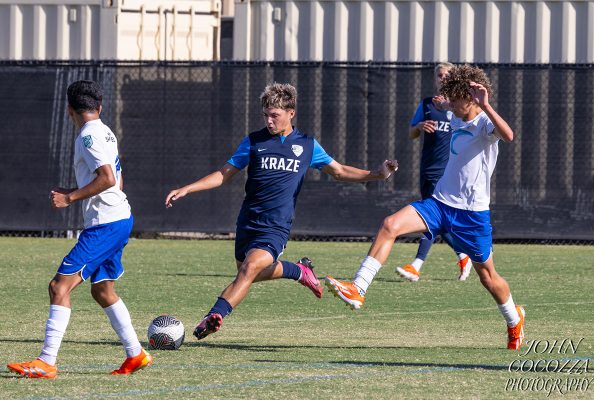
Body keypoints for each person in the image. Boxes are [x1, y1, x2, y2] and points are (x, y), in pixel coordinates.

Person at [165, 82, 398, 340]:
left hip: (277, 225)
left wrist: (378, 174)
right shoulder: (254, 142)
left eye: (274, 115)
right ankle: (299, 271)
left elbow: (340, 171)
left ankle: (213, 315)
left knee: (250, 268)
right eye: (266, 114)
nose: (269, 120)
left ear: (291, 113)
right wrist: (188, 188)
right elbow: (223, 175)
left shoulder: (307, 145)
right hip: (248, 221)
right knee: (249, 271)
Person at [325, 65, 526, 350]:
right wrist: (433, 112)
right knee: (389, 225)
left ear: (469, 99)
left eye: (455, 100)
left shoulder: (483, 123)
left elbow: (508, 136)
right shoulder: (456, 115)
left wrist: (486, 104)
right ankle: (358, 288)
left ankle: (513, 319)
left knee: (488, 277)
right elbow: (442, 109)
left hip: (472, 215)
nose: (450, 105)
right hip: (439, 203)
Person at [7, 80, 152, 378]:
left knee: (59, 286)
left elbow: (108, 178)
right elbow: (116, 182)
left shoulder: (88, 136)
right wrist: (76, 189)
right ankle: (135, 354)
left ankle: (46, 361)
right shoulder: (106, 131)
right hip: (119, 217)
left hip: (105, 225)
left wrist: (69, 197)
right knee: (102, 290)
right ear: (99, 107)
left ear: (69, 110)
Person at [397, 62, 472, 282]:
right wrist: (419, 127)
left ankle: (416, 265)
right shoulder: (427, 104)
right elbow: (411, 134)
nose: (443, 78)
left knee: (430, 217)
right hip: (427, 168)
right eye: (440, 75)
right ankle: (463, 255)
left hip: (448, 171)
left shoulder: (460, 106)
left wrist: (450, 106)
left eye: (447, 75)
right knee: (438, 220)